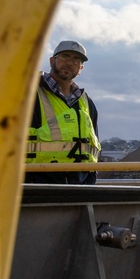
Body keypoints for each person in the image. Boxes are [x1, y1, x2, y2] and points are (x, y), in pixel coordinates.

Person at [24, 40, 100, 184]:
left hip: (79, 187)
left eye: (76, 60)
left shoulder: (87, 103)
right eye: (65, 56)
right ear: (52, 61)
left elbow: (93, 148)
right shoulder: (29, 94)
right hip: (35, 185)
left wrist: (90, 183)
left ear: (81, 68)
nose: (70, 63)